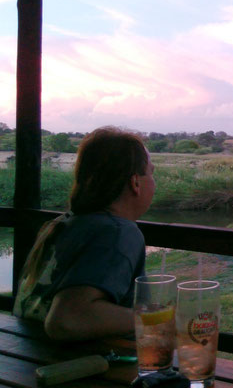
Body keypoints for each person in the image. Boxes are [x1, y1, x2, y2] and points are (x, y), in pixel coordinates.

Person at [13, 126, 156, 341]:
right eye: (152, 174)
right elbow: (67, 320)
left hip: (27, 357)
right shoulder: (118, 232)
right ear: (135, 183)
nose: (154, 183)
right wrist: (154, 319)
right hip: (76, 366)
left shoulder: (62, 223)